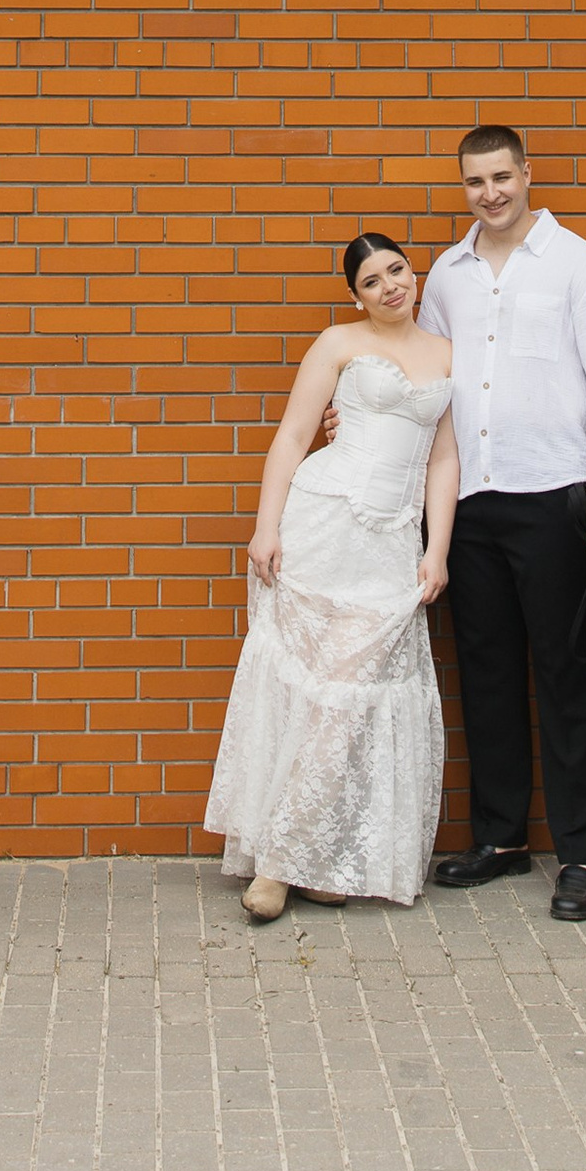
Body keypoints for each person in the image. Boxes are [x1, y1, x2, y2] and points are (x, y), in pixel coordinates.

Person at [205, 232, 461, 921]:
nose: (389, 287)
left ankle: (307, 852)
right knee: (314, 697)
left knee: (353, 697)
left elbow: (443, 461)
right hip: (322, 525)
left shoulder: (445, 354)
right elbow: (293, 434)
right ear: (357, 295)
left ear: (415, 274)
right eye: (372, 281)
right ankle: (284, 866)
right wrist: (266, 525)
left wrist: (437, 550)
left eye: (397, 270)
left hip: (389, 548)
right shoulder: (337, 343)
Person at [422, 126, 586, 923]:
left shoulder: (578, 265)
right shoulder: (446, 273)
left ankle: (581, 856)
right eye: (476, 181)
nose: (490, 193)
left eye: (502, 177)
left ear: (526, 174)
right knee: (486, 674)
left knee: (568, 677)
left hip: (555, 495)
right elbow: (426, 371)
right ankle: (501, 838)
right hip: (470, 500)